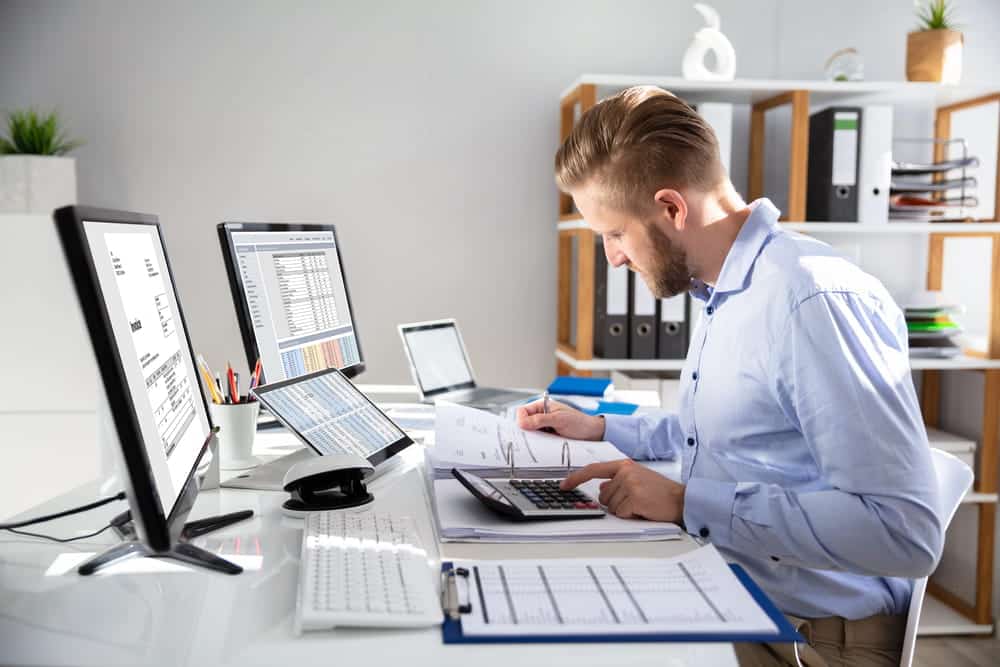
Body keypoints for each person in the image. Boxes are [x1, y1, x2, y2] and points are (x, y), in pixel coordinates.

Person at [517, 86, 943, 667]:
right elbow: (725, 431)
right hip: (736, 599)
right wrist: (602, 430)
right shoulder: (726, 290)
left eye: (614, 234)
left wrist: (690, 502)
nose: (613, 258)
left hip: (812, 641)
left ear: (671, 208)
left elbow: (904, 533)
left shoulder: (809, 301)